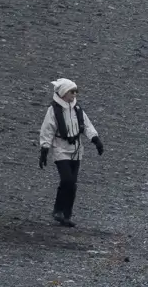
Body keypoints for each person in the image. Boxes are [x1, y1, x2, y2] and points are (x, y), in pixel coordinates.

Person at [38, 78, 104, 227]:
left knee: (72, 183)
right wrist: (44, 149)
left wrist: (96, 140)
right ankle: (58, 210)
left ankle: (66, 214)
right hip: (61, 148)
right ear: (63, 93)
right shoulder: (53, 110)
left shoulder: (77, 109)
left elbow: (87, 125)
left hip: (76, 150)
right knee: (67, 179)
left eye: (75, 92)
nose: (74, 94)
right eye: (71, 92)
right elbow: (47, 130)